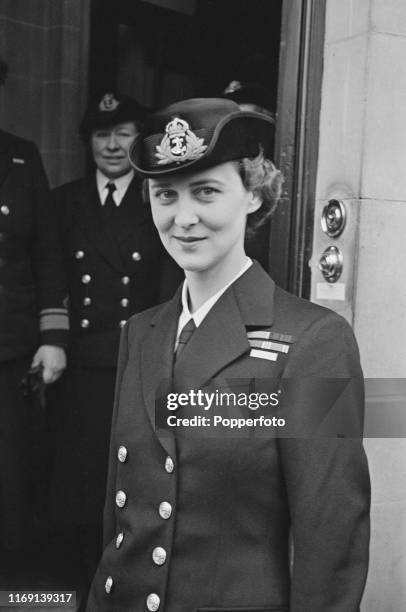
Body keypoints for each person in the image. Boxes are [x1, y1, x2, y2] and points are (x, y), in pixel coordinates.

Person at [86, 98, 370, 611]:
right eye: (165, 195)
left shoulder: (313, 342)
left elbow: (331, 535)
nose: (183, 217)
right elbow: (120, 516)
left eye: (207, 192)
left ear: (254, 196)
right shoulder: (143, 333)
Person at [47, 92, 181, 604]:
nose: (110, 145)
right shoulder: (64, 200)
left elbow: (167, 283)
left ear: (138, 141)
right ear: (88, 142)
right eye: (101, 135)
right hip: (77, 363)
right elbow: (50, 274)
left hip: (132, 358)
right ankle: (72, 587)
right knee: (78, 479)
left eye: (122, 134)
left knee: (125, 473)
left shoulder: (159, 199)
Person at [0, 57, 68, 555]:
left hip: (12, 344)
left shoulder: (21, 158)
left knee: (10, 467)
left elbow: (47, 252)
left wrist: (52, 338)